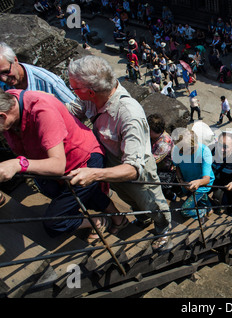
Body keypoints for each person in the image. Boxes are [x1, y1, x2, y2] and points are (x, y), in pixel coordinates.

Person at [65, 55, 172, 250]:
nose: (73, 92)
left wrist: (95, 174)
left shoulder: (129, 116)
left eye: (74, 88)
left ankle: (163, 229)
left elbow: (133, 169)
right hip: (113, 166)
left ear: (90, 91)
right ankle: (143, 218)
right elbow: (71, 111)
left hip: (135, 170)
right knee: (129, 199)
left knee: (152, 202)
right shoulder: (91, 99)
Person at [0, 89, 127, 240]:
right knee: (82, 191)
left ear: (3, 116)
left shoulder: (41, 112)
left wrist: (18, 164)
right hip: (60, 163)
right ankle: (119, 218)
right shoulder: (10, 101)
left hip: (82, 159)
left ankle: (97, 221)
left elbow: (58, 165)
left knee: (54, 222)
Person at [0, 42, 75, 104]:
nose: (3, 79)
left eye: (6, 71)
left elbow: (77, 110)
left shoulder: (49, 82)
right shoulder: (3, 85)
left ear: (15, 60)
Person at [172, 129, 214, 220]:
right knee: (198, 196)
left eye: (184, 151)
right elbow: (177, 166)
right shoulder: (177, 149)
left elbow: (206, 179)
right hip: (187, 181)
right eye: (181, 151)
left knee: (185, 211)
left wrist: (197, 182)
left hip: (201, 183)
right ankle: (208, 206)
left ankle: (203, 210)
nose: (182, 153)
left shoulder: (204, 152)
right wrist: (181, 181)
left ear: (193, 146)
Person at [148, 113, 176, 201]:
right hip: (159, 168)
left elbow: (152, 160)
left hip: (165, 171)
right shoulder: (154, 138)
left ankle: (173, 196)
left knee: (165, 190)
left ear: (153, 131)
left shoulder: (164, 143)